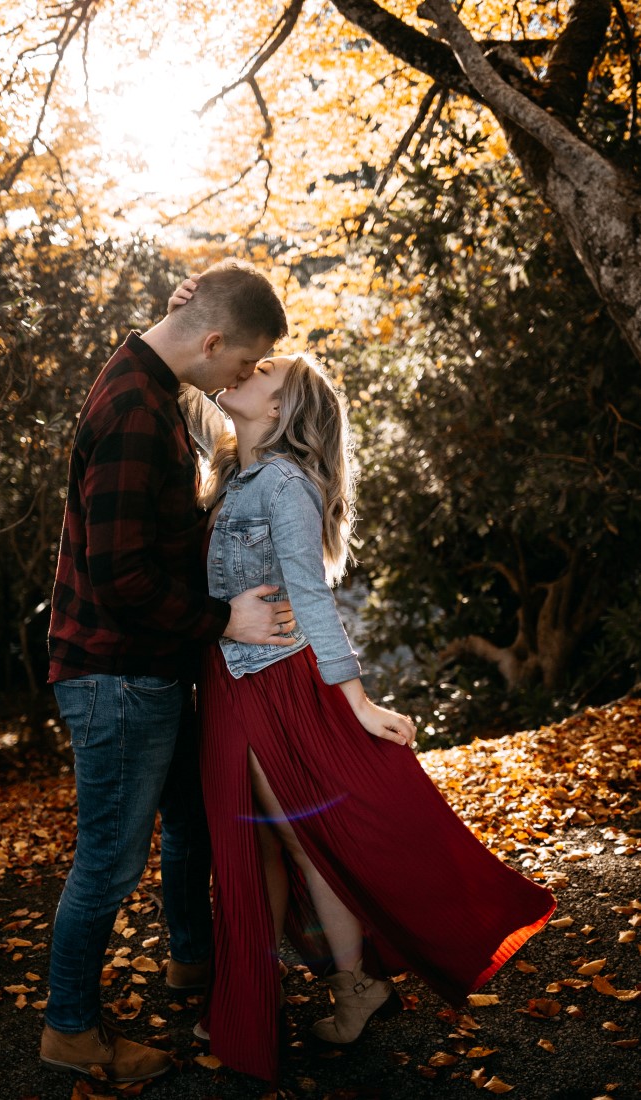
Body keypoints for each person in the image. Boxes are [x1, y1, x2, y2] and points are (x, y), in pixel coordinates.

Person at [168, 287, 557, 1084]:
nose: (245, 368)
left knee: (298, 840)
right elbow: (184, 366)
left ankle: (347, 987)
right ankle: (261, 997)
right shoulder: (233, 474)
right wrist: (182, 308)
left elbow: (313, 599)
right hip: (229, 684)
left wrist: (358, 702)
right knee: (258, 844)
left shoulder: (284, 484)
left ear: (283, 409)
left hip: (274, 686)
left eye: (264, 370)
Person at [40, 260, 295, 1084]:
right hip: (114, 675)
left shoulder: (150, 380)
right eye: (242, 362)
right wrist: (226, 620)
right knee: (109, 862)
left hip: (149, 667)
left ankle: (193, 961)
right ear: (212, 342)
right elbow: (120, 574)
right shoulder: (135, 411)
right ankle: (70, 1030)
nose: (240, 380)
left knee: (191, 820)